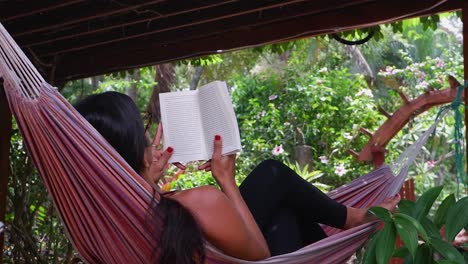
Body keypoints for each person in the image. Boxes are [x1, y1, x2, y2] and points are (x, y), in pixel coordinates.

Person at [75, 92, 400, 264]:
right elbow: (259, 254)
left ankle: (353, 220)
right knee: (271, 176)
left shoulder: (93, 224)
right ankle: (356, 219)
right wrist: (224, 179)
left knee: (282, 206)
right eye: (145, 135)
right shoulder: (196, 202)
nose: (152, 141)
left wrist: (148, 180)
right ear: (137, 149)